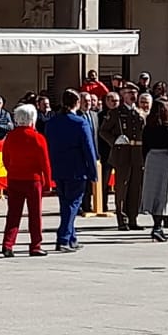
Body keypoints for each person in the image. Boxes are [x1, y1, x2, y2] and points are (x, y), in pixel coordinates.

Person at [44, 89, 97, 253]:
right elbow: (89, 148)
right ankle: (64, 238)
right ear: (77, 103)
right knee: (73, 204)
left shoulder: (52, 122)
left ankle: (72, 237)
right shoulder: (80, 122)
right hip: (76, 168)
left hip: (58, 167)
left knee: (65, 203)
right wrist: (93, 171)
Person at [0, 104, 52, 258]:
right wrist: (48, 183)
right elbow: (45, 163)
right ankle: (35, 245)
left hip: (15, 179)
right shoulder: (38, 138)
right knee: (35, 215)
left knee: (13, 214)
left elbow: (6, 158)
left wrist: (12, 170)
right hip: (33, 180)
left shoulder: (10, 136)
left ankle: (7, 244)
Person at [140, 99, 168, 243]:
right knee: (164, 193)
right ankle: (157, 227)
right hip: (164, 159)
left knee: (153, 193)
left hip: (151, 159)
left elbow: (144, 147)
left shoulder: (148, 126)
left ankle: (157, 226)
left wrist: (145, 161)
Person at [107, 84, 145, 230]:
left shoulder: (140, 113)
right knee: (122, 187)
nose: (133, 95)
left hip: (137, 153)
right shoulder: (117, 113)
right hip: (123, 153)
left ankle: (133, 219)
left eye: (135, 92)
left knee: (135, 187)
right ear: (123, 95)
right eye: (130, 92)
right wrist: (115, 140)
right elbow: (104, 131)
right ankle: (122, 219)